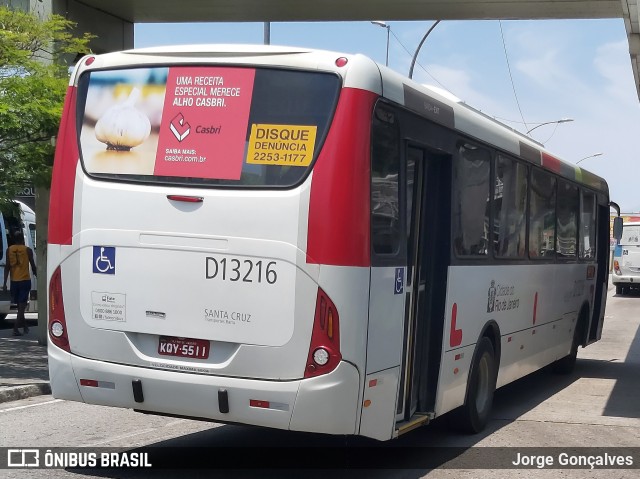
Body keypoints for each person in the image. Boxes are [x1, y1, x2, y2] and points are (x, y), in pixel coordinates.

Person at [2, 231, 37, 336]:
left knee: (19, 306)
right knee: (22, 307)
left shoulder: (9, 250)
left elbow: (7, 267)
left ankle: (25, 326)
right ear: (22, 239)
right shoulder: (28, 250)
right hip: (25, 281)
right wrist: (36, 274)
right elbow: (33, 265)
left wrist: (4, 283)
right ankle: (15, 329)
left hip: (14, 282)